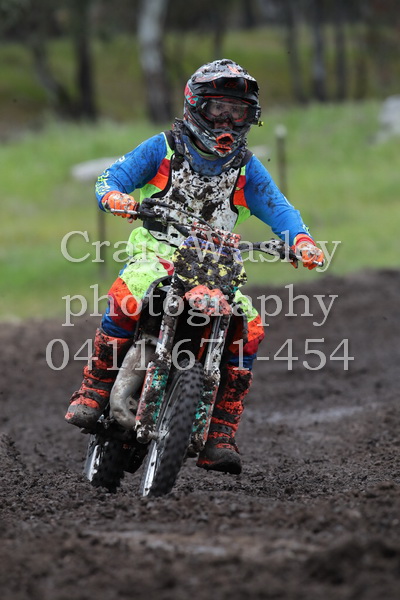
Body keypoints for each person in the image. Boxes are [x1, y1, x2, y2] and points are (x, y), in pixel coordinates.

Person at [65, 58, 325, 475]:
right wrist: (115, 197)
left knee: (250, 327)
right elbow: (110, 178)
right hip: (158, 252)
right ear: (195, 106)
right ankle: (94, 388)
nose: (227, 121)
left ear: (251, 117)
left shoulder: (246, 167)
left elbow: (281, 210)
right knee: (131, 292)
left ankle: (220, 431)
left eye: (237, 112)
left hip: (216, 265)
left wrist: (301, 241)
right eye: (218, 109)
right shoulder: (163, 148)